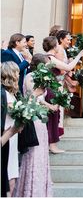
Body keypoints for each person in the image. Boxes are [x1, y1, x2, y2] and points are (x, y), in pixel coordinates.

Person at [13, 53, 53, 197]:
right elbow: (30, 97)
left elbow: (40, 98)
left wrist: (49, 105)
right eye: (47, 64)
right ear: (40, 64)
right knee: (33, 153)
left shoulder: (42, 78)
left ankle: (41, 189)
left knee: (42, 153)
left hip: (41, 117)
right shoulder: (30, 77)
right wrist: (40, 91)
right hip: (33, 117)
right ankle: (30, 190)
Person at [43, 36, 83, 153]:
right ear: (54, 46)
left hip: (52, 88)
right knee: (53, 117)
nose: (58, 47)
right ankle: (52, 145)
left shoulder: (46, 57)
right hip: (52, 89)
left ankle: (51, 144)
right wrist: (79, 56)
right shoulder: (50, 58)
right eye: (57, 44)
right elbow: (68, 67)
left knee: (54, 117)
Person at [1, 62, 20, 196]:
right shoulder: (4, 95)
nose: (19, 75)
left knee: (12, 175)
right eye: (17, 72)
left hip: (12, 137)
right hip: (7, 136)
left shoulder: (10, 93)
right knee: (8, 175)